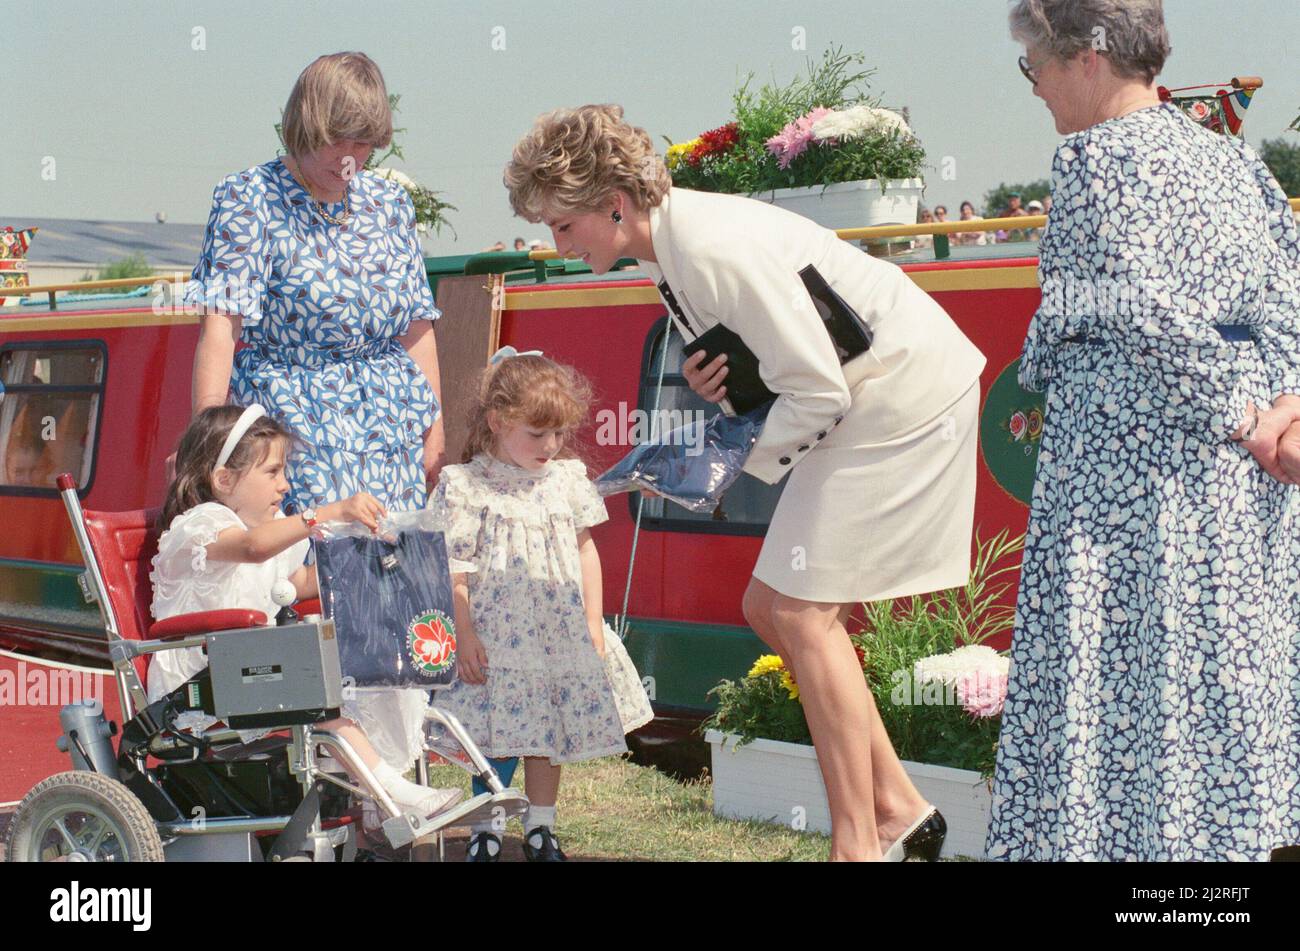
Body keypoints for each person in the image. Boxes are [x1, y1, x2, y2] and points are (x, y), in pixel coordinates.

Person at [504, 103, 987, 861]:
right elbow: (792, 363)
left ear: (614, 205)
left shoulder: (706, 249)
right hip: (871, 393)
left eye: (563, 225)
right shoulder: (674, 250)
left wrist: (725, 466)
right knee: (774, 605)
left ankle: (862, 841)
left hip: (899, 395)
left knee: (794, 613)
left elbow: (819, 390)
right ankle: (900, 807)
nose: (555, 243)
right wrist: (723, 387)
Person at [987, 0, 1300, 861]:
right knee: (1212, 694)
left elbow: (1140, 314)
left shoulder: (1091, 159)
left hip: (1125, 479)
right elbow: (1288, 303)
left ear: (1086, 58)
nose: (1035, 88)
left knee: (1114, 695)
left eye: (1035, 65)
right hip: (1238, 486)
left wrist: (1241, 414)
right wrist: (1274, 412)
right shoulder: (1238, 165)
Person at [185, 52, 445, 772]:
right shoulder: (248, 198)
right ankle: (338, 768)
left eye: (368, 143)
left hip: (390, 420)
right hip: (297, 427)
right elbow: (222, 328)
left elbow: (417, 325)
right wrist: (212, 446)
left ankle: (394, 768)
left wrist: (436, 434)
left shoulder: (389, 203)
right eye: (342, 141)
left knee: (402, 588)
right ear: (305, 124)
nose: (354, 159)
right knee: (332, 592)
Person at [149, 404, 461, 821]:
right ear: (223, 479)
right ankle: (391, 796)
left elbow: (298, 583)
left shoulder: (267, 527)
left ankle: (373, 807)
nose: (285, 484)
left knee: (363, 681)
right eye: (273, 472)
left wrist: (376, 560)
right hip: (197, 686)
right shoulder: (201, 524)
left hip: (248, 674)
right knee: (323, 702)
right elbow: (251, 549)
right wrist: (325, 514)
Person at [428, 351, 653, 862]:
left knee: (547, 730)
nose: (550, 446)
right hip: (496, 632)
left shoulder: (567, 480)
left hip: (558, 627)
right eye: (536, 434)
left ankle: (541, 827)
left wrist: (593, 622)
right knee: (496, 731)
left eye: (557, 434)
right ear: (498, 422)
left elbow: (584, 550)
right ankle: (487, 823)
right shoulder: (466, 486)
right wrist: (464, 632)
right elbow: (454, 567)